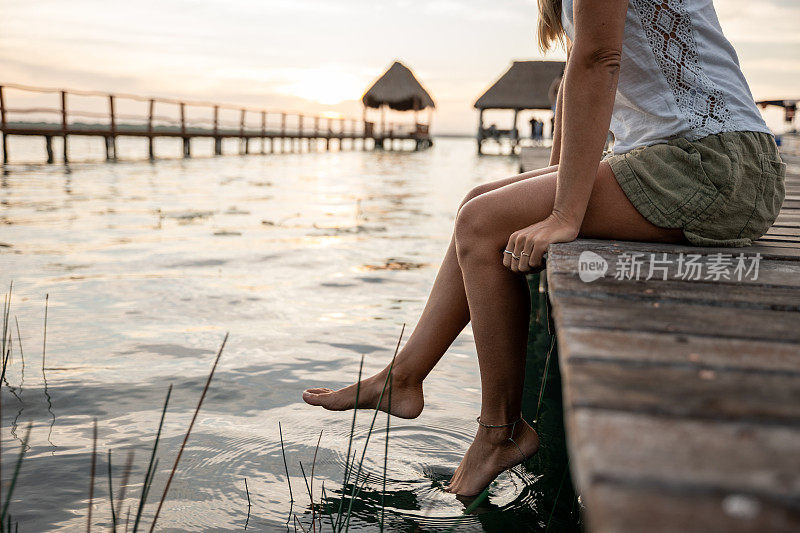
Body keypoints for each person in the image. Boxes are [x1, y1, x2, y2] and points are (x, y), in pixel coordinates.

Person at [303, 0, 785, 497]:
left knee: (480, 222)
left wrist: (564, 214)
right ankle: (402, 378)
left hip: (715, 166)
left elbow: (599, 60)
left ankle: (500, 430)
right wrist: (553, 189)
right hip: (691, 159)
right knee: (478, 204)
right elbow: (581, 68)